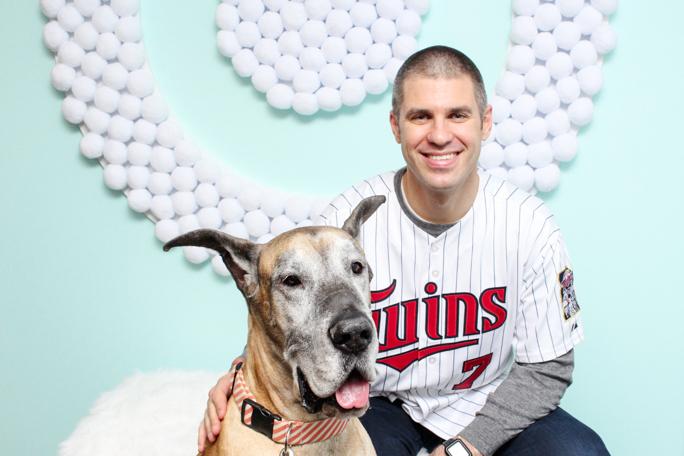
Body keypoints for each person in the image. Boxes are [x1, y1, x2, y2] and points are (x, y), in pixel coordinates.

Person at [199, 46, 609, 456]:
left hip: (485, 401)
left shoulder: (529, 225)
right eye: (420, 116)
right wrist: (241, 377)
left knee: (578, 452)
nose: (440, 134)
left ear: (485, 123)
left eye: (458, 115)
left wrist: (466, 448)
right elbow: (286, 305)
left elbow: (549, 367)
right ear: (396, 126)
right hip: (374, 404)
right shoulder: (344, 221)